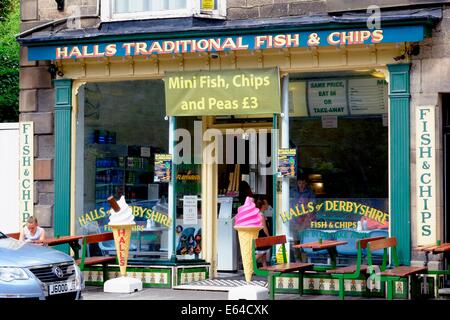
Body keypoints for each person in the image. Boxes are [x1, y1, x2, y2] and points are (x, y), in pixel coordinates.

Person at [255, 197, 271, 267]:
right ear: (263, 205)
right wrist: (268, 237)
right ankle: (249, 264)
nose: (268, 205)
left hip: (260, 235)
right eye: (267, 204)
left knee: (263, 254)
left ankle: (265, 268)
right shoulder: (261, 215)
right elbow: (264, 228)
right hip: (262, 236)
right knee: (263, 252)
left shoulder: (259, 214)